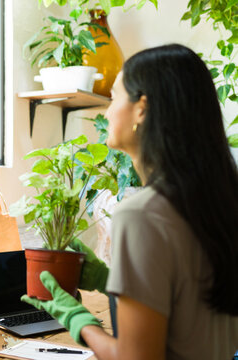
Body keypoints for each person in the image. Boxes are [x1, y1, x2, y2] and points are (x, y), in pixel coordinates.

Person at [22, 44, 238, 359]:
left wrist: (79, 321)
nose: (107, 111)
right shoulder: (219, 203)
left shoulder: (141, 214)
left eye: (115, 97)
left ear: (141, 108)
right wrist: (111, 280)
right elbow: (188, 301)